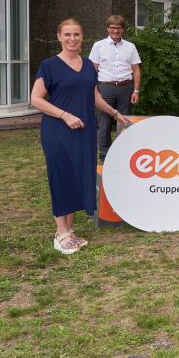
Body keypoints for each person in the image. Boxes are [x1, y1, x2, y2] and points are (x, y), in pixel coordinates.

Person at [31, 18, 130, 254]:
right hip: (58, 132)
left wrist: (115, 113)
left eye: (76, 34)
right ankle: (60, 232)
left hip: (84, 132)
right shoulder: (49, 65)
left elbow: (94, 96)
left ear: (82, 37)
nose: (72, 39)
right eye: (67, 34)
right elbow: (36, 99)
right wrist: (65, 115)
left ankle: (70, 230)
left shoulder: (87, 65)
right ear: (59, 36)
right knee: (61, 176)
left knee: (78, 177)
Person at [89, 15, 141, 163]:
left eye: (118, 27)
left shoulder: (130, 47)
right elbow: (93, 69)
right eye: (112, 27)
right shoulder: (98, 46)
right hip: (105, 88)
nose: (115, 30)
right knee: (104, 124)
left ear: (123, 29)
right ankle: (105, 155)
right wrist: (95, 91)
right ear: (107, 28)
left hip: (126, 88)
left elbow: (136, 69)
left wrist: (136, 90)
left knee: (124, 122)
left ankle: (121, 153)